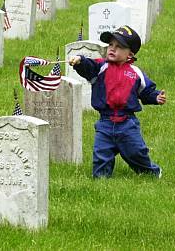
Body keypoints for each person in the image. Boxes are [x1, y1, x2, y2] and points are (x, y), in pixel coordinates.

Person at [69, 25, 166, 178]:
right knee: (101, 153)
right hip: (105, 123)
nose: (112, 49)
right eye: (111, 45)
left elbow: (145, 91)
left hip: (127, 124)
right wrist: (80, 62)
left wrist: (155, 97)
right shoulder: (101, 67)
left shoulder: (136, 73)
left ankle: (151, 172)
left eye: (119, 47)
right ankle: (101, 179)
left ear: (130, 54)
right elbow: (89, 67)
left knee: (136, 153)